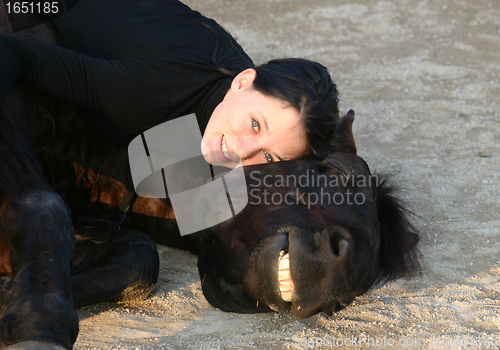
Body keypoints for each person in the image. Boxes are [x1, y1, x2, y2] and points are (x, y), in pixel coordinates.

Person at [0, 0, 340, 166]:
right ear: (243, 81)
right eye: (255, 124)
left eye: (269, 157)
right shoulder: (145, 92)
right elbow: (15, 54)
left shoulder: (232, 84)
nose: (243, 151)